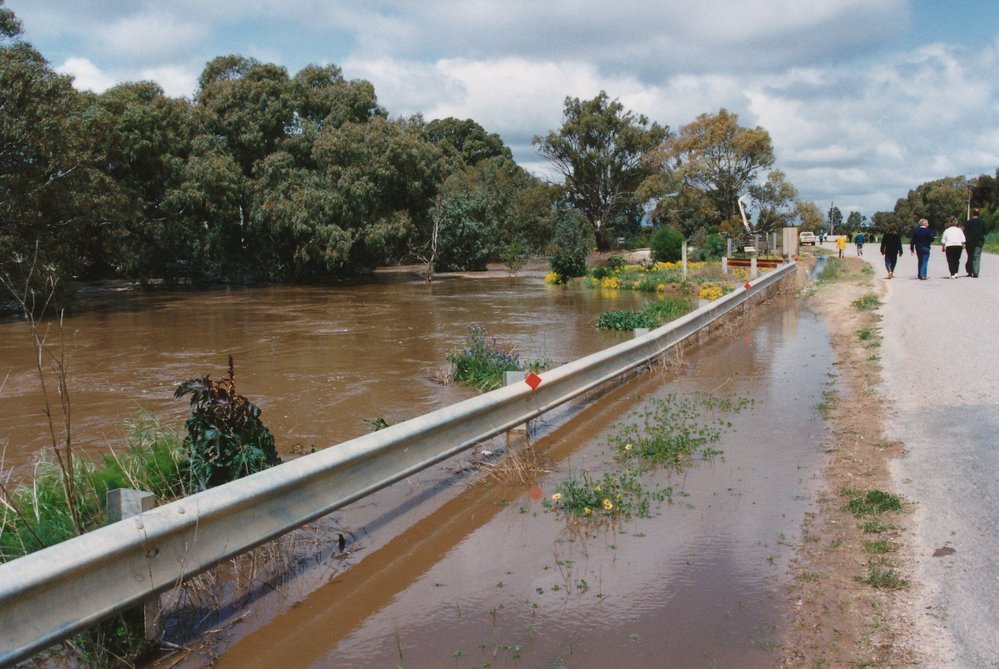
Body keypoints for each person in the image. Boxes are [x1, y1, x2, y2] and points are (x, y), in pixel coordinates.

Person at [964, 208, 985, 277]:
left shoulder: (968, 222)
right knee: (977, 257)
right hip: (979, 242)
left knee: (970, 256)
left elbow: (965, 232)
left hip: (969, 242)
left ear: (972, 214)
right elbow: (985, 231)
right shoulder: (982, 222)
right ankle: (976, 272)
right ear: (979, 214)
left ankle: (969, 272)